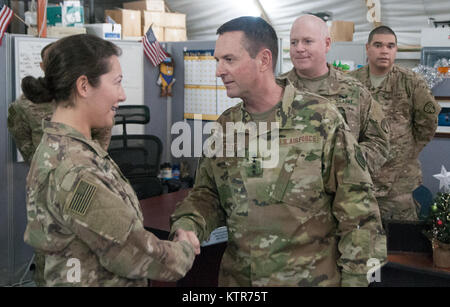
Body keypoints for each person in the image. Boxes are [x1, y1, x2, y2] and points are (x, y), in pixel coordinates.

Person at [170, 16, 386, 287]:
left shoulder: (322, 120)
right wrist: (189, 223)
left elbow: (359, 212)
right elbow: (208, 194)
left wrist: (357, 281)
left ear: (263, 60)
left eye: (229, 59)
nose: (218, 71)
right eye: (217, 61)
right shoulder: (226, 126)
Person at [23, 34, 197, 286]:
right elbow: (137, 254)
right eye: (116, 82)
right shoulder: (78, 171)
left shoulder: (60, 146)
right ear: (83, 86)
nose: (123, 95)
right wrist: (184, 247)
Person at [277, 15, 390, 175]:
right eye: (294, 42)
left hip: (339, 194)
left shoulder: (354, 91)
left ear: (327, 44)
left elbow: (378, 143)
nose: (299, 48)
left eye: (307, 41)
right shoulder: (276, 89)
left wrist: (344, 164)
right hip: (285, 194)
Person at [349, 26, 441, 221]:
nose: (384, 50)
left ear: (396, 50)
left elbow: (428, 123)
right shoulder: (352, 83)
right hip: (361, 182)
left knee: (401, 245)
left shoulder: (411, 82)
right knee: (361, 244)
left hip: (400, 185)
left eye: (390, 46)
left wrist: (408, 150)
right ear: (367, 48)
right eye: (378, 45)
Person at [8, 43, 112, 163]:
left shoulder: (86, 97)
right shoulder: (25, 104)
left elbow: (102, 135)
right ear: (42, 66)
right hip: (46, 172)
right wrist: (48, 165)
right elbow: (25, 145)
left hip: (85, 168)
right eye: (53, 62)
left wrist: (88, 163)